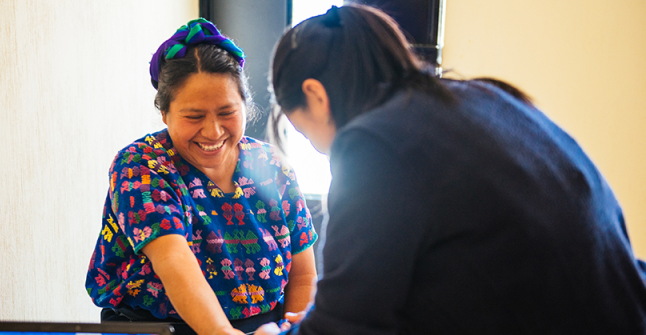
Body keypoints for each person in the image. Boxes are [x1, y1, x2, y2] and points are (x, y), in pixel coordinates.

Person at [257, 4, 646, 334]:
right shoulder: (484, 96)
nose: (318, 149)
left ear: (316, 95)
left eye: (303, 132)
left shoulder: (372, 145)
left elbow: (347, 323)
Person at [85, 18, 318, 335]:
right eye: (194, 116)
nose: (213, 131)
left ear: (245, 106)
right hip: (160, 328)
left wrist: (292, 330)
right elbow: (173, 262)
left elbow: (302, 274)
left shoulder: (272, 165)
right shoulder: (141, 166)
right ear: (165, 113)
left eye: (227, 112)